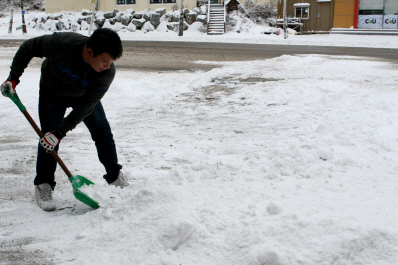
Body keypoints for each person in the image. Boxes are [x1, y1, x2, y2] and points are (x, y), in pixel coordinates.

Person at [1, 28, 129, 211]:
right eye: (105, 61)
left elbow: (86, 106)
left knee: (102, 132)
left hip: (82, 97)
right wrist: (13, 78)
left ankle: (114, 176)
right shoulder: (62, 43)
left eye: (111, 62)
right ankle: (43, 184)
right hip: (51, 93)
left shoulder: (106, 73)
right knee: (47, 139)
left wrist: (60, 132)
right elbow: (28, 47)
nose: (107, 66)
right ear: (90, 51)